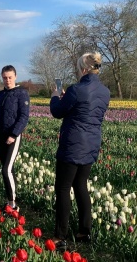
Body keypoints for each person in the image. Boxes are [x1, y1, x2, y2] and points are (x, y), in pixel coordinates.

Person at [50, 52, 110, 249]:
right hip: (91, 144)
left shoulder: (77, 89)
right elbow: (88, 111)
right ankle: (84, 231)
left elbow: (57, 112)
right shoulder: (105, 92)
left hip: (73, 144)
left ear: (83, 69)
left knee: (63, 188)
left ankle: (60, 236)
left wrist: (55, 96)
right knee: (81, 186)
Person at [0, 65, 29, 211]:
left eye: (10, 77)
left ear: (15, 76)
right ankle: (11, 199)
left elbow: (24, 116)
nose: (7, 80)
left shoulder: (21, 93)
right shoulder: (0, 95)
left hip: (13, 137)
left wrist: (14, 134)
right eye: (5, 78)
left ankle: (12, 204)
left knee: (6, 170)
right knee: (8, 169)